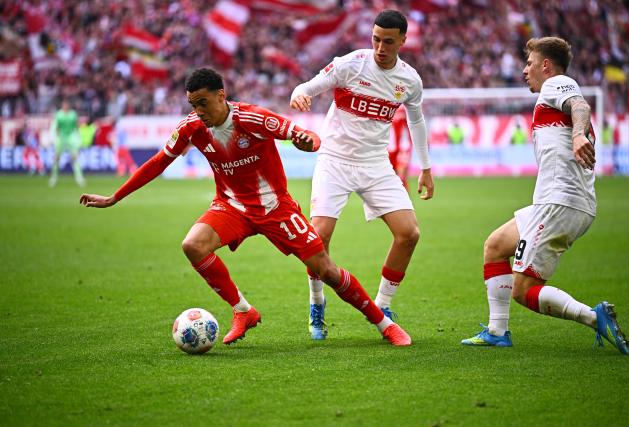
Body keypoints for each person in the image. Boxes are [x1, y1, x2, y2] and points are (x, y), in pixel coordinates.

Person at [80, 68, 412, 347]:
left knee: (324, 268)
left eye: (204, 103)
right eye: (193, 105)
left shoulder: (252, 118)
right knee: (193, 245)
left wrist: (306, 141)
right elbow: (157, 162)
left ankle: (383, 323)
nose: (199, 111)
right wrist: (116, 197)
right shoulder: (191, 128)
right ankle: (243, 311)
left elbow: (299, 132)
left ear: (221, 96)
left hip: (275, 208)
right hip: (231, 207)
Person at [461, 37, 629, 355]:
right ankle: (498, 331)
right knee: (496, 246)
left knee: (523, 289)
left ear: (545, 65)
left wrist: (580, 132)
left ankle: (594, 318)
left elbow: (579, 106)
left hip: (560, 202)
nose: (524, 70)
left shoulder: (557, 83)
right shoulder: (551, 94)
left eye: (529, 63)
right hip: (557, 202)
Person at [290, 10, 434, 340]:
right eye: (375, 39)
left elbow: (416, 122)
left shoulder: (409, 80)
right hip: (335, 161)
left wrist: (425, 168)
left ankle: (382, 305)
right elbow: (308, 86)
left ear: (402, 41)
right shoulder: (351, 64)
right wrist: (300, 93)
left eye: (388, 41)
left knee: (409, 233)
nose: (380, 47)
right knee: (318, 239)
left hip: (375, 165)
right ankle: (316, 302)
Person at [50, 99, 85, 187]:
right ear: (62, 105)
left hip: (71, 137)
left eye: (67, 105)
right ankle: (54, 178)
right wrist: (56, 138)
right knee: (56, 158)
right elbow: (56, 127)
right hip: (61, 138)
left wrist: (78, 138)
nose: (65, 106)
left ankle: (79, 178)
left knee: (75, 157)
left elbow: (76, 126)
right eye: (64, 105)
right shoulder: (59, 114)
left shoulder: (73, 114)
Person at [388, 105, 412, 189]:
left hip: (403, 147)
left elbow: (415, 123)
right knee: (389, 179)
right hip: (389, 148)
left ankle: (405, 202)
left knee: (401, 179)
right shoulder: (384, 103)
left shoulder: (404, 106)